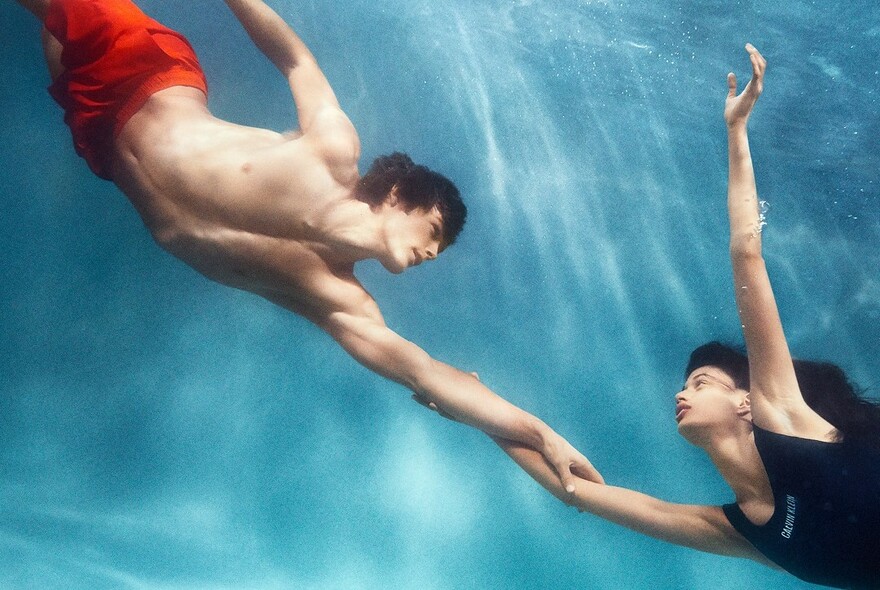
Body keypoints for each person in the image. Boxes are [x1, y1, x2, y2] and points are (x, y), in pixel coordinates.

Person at [14, 0, 603, 490]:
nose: (431, 254)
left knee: (46, 27)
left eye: (439, 252)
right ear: (398, 194)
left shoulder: (336, 297)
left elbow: (426, 375)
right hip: (147, 69)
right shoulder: (332, 154)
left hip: (100, 138)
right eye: (434, 232)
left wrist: (540, 431)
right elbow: (294, 58)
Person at [420, 45, 880, 588]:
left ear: (745, 400)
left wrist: (736, 134)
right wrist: (477, 410)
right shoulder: (736, 533)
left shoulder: (785, 417)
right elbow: (577, 493)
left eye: (700, 381)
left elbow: (746, 251)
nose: (681, 393)